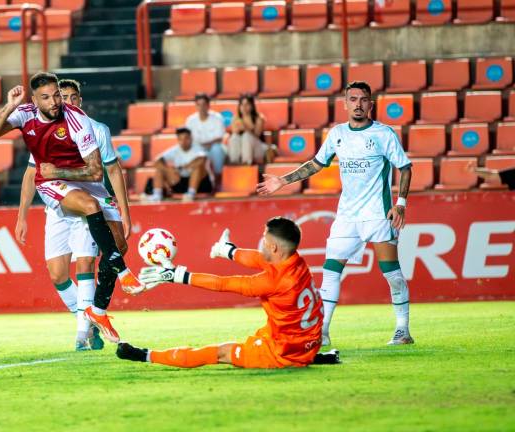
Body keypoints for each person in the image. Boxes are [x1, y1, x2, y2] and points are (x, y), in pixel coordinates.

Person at [0, 72, 144, 344]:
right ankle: (119, 277)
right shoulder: (26, 114)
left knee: (113, 246)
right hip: (53, 188)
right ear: (35, 100)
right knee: (61, 269)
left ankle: (95, 317)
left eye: (60, 95)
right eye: (50, 97)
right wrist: (9, 105)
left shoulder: (82, 122)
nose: (57, 101)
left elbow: (97, 172)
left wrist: (57, 169)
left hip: (84, 185)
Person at [257, 81, 414, 347]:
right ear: (345, 104)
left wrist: (400, 203)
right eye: (353, 99)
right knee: (331, 272)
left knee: (391, 273)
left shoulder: (384, 134)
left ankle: (402, 329)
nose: (358, 104)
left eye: (363, 100)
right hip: (346, 216)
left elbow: (405, 167)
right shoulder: (338, 133)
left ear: (370, 104)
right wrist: (283, 181)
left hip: (378, 214)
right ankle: (323, 331)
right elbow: (316, 164)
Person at [117, 218, 337, 369]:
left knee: (220, 352)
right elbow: (259, 259)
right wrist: (229, 251)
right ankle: (309, 357)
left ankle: (143, 355)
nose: (262, 244)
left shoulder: (274, 281)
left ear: (275, 248)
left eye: (265, 241)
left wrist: (178, 276)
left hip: (282, 352)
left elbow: (223, 283)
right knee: (264, 331)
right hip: (305, 340)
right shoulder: (296, 261)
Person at [15, 78, 133, 351]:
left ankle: (83, 335)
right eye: (61, 97)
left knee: (85, 264)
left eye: (71, 97)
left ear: (80, 100)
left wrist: (125, 213)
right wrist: (21, 215)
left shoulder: (96, 130)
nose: (66, 102)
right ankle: (87, 318)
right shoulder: (46, 128)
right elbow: (32, 172)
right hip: (58, 205)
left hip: (88, 201)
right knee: (57, 274)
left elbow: (112, 170)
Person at [145, 127, 213, 202]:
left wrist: (182, 168)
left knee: (198, 168)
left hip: (201, 185)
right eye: (180, 139)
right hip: (181, 183)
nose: (183, 141)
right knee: (160, 170)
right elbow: (157, 161)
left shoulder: (198, 148)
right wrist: (169, 171)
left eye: (186, 138)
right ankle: (157, 195)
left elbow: (201, 160)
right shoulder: (175, 150)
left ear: (191, 138)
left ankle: (191, 194)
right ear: (178, 140)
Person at [227, 94, 276, 166]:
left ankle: (246, 163)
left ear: (252, 106)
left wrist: (245, 127)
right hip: (241, 150)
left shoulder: (259, 118)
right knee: (234, 137)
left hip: (257, 149)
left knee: (246, 136)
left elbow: (257, 135)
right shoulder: (235, 118)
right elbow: (235, 133)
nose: (244, 107)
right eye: (242, 105)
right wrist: (238, 128)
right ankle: (234, 163)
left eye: (247, 104)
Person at [185, 93, 226, 176]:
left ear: (208, 105)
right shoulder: (190, 120)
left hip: (213, 149)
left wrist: (204, 145)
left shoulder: (217, 118)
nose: (201, 108)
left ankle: (219, 176)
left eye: (204, 104)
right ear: (195, 106)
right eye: (199, 105)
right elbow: (188, 139)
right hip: (198, 150)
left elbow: (219, 139)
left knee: (216, 148)